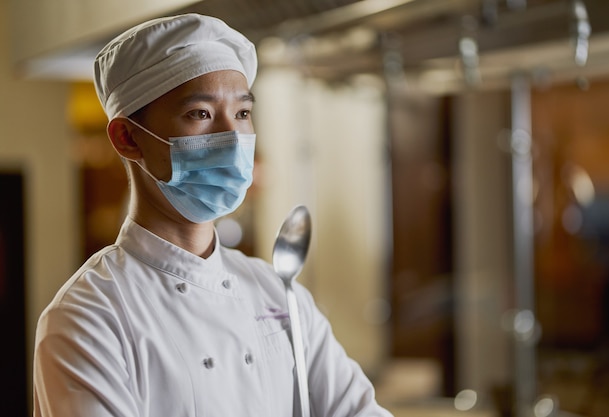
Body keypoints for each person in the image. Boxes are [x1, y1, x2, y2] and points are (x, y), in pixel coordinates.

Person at [32, 13, 392, 417]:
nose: (233, 138)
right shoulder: (89, 318)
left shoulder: (277, 293)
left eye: (241, 113)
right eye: (200, 114)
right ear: (128, 138)